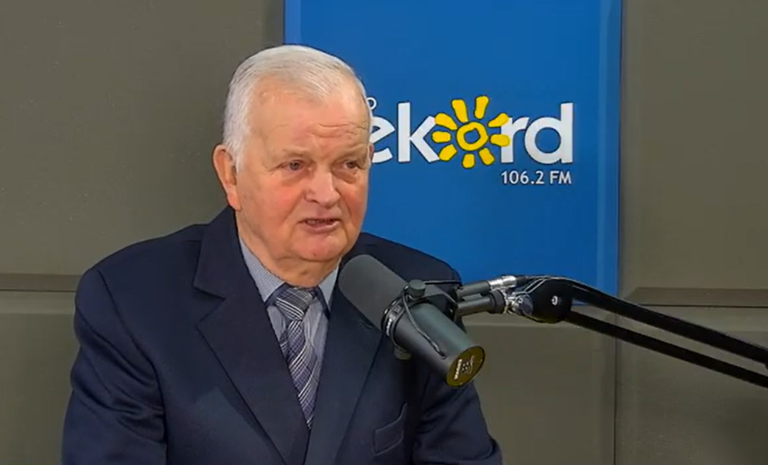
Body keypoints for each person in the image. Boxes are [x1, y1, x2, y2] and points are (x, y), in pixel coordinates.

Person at [60, 44, 503, 465]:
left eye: (349, 164)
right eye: (295, 166)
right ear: (230, 174)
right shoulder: (133, 303)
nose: (326, 194)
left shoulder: (417, 291)